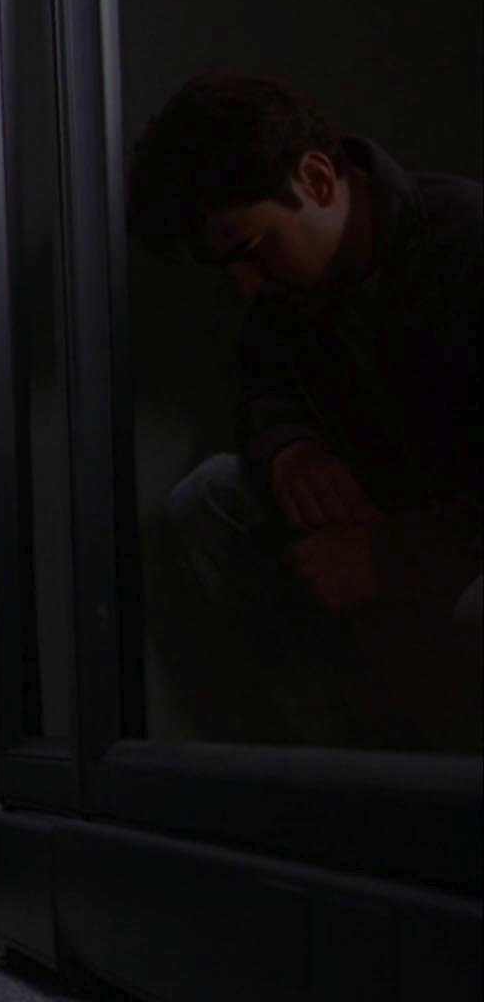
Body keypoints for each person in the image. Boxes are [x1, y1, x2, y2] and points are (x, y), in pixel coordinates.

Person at [127, 71, 480, 752]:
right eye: (225, 267)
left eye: (251, 251)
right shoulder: (286, 289)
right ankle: (348, 767)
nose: (244, 287)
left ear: (317, 180)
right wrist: (291, 448)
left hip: (451, 535)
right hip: (379, 513)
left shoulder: (465, 244)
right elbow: (265, 387)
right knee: (209, 499)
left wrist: (390, 557)